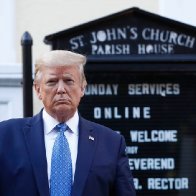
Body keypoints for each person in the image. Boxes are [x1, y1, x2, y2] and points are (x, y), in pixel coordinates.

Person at [0, 50, 136, 196]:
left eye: (68, 81)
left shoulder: (111, 143)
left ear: (82, 88)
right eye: (52, 82)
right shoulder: (6, 136)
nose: (61, 89)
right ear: (38, 89)